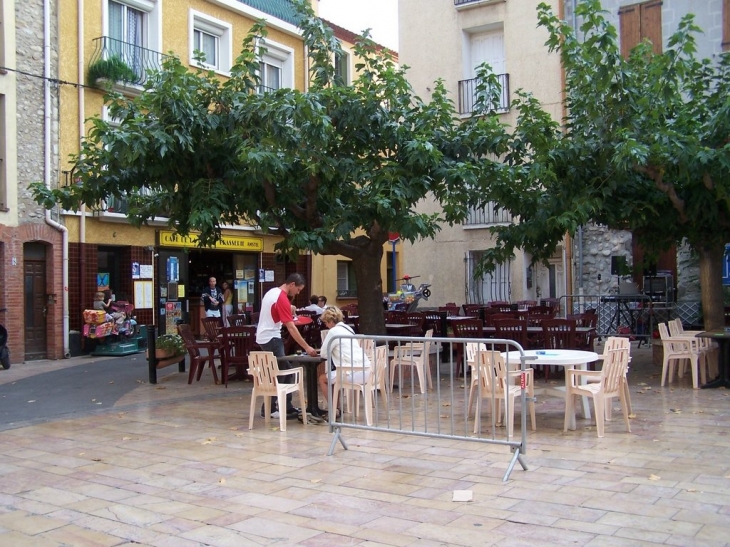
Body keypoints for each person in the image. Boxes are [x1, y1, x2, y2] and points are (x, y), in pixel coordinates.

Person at [256, 273, 317, 419]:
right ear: (292, 285)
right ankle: (271, 409)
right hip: (272, 338)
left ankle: (285, 406)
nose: (298, 292)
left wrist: (289, 307)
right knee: (283, 373)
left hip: (263, 337)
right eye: (299, 289)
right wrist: (307, 347)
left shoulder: (272, 292)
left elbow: (276, 308)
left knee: (285, 370)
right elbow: (291, 328)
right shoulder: (282, 298)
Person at [318, 305, 370, 419]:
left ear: (331, 321)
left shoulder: (333, 332)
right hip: (366, 370)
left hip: (352, 372)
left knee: (323, 379)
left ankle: (334, 410)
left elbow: (323, 354)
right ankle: (337, 408)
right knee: (334, 377)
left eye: (326, 322)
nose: (326, 325)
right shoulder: (348, 328)